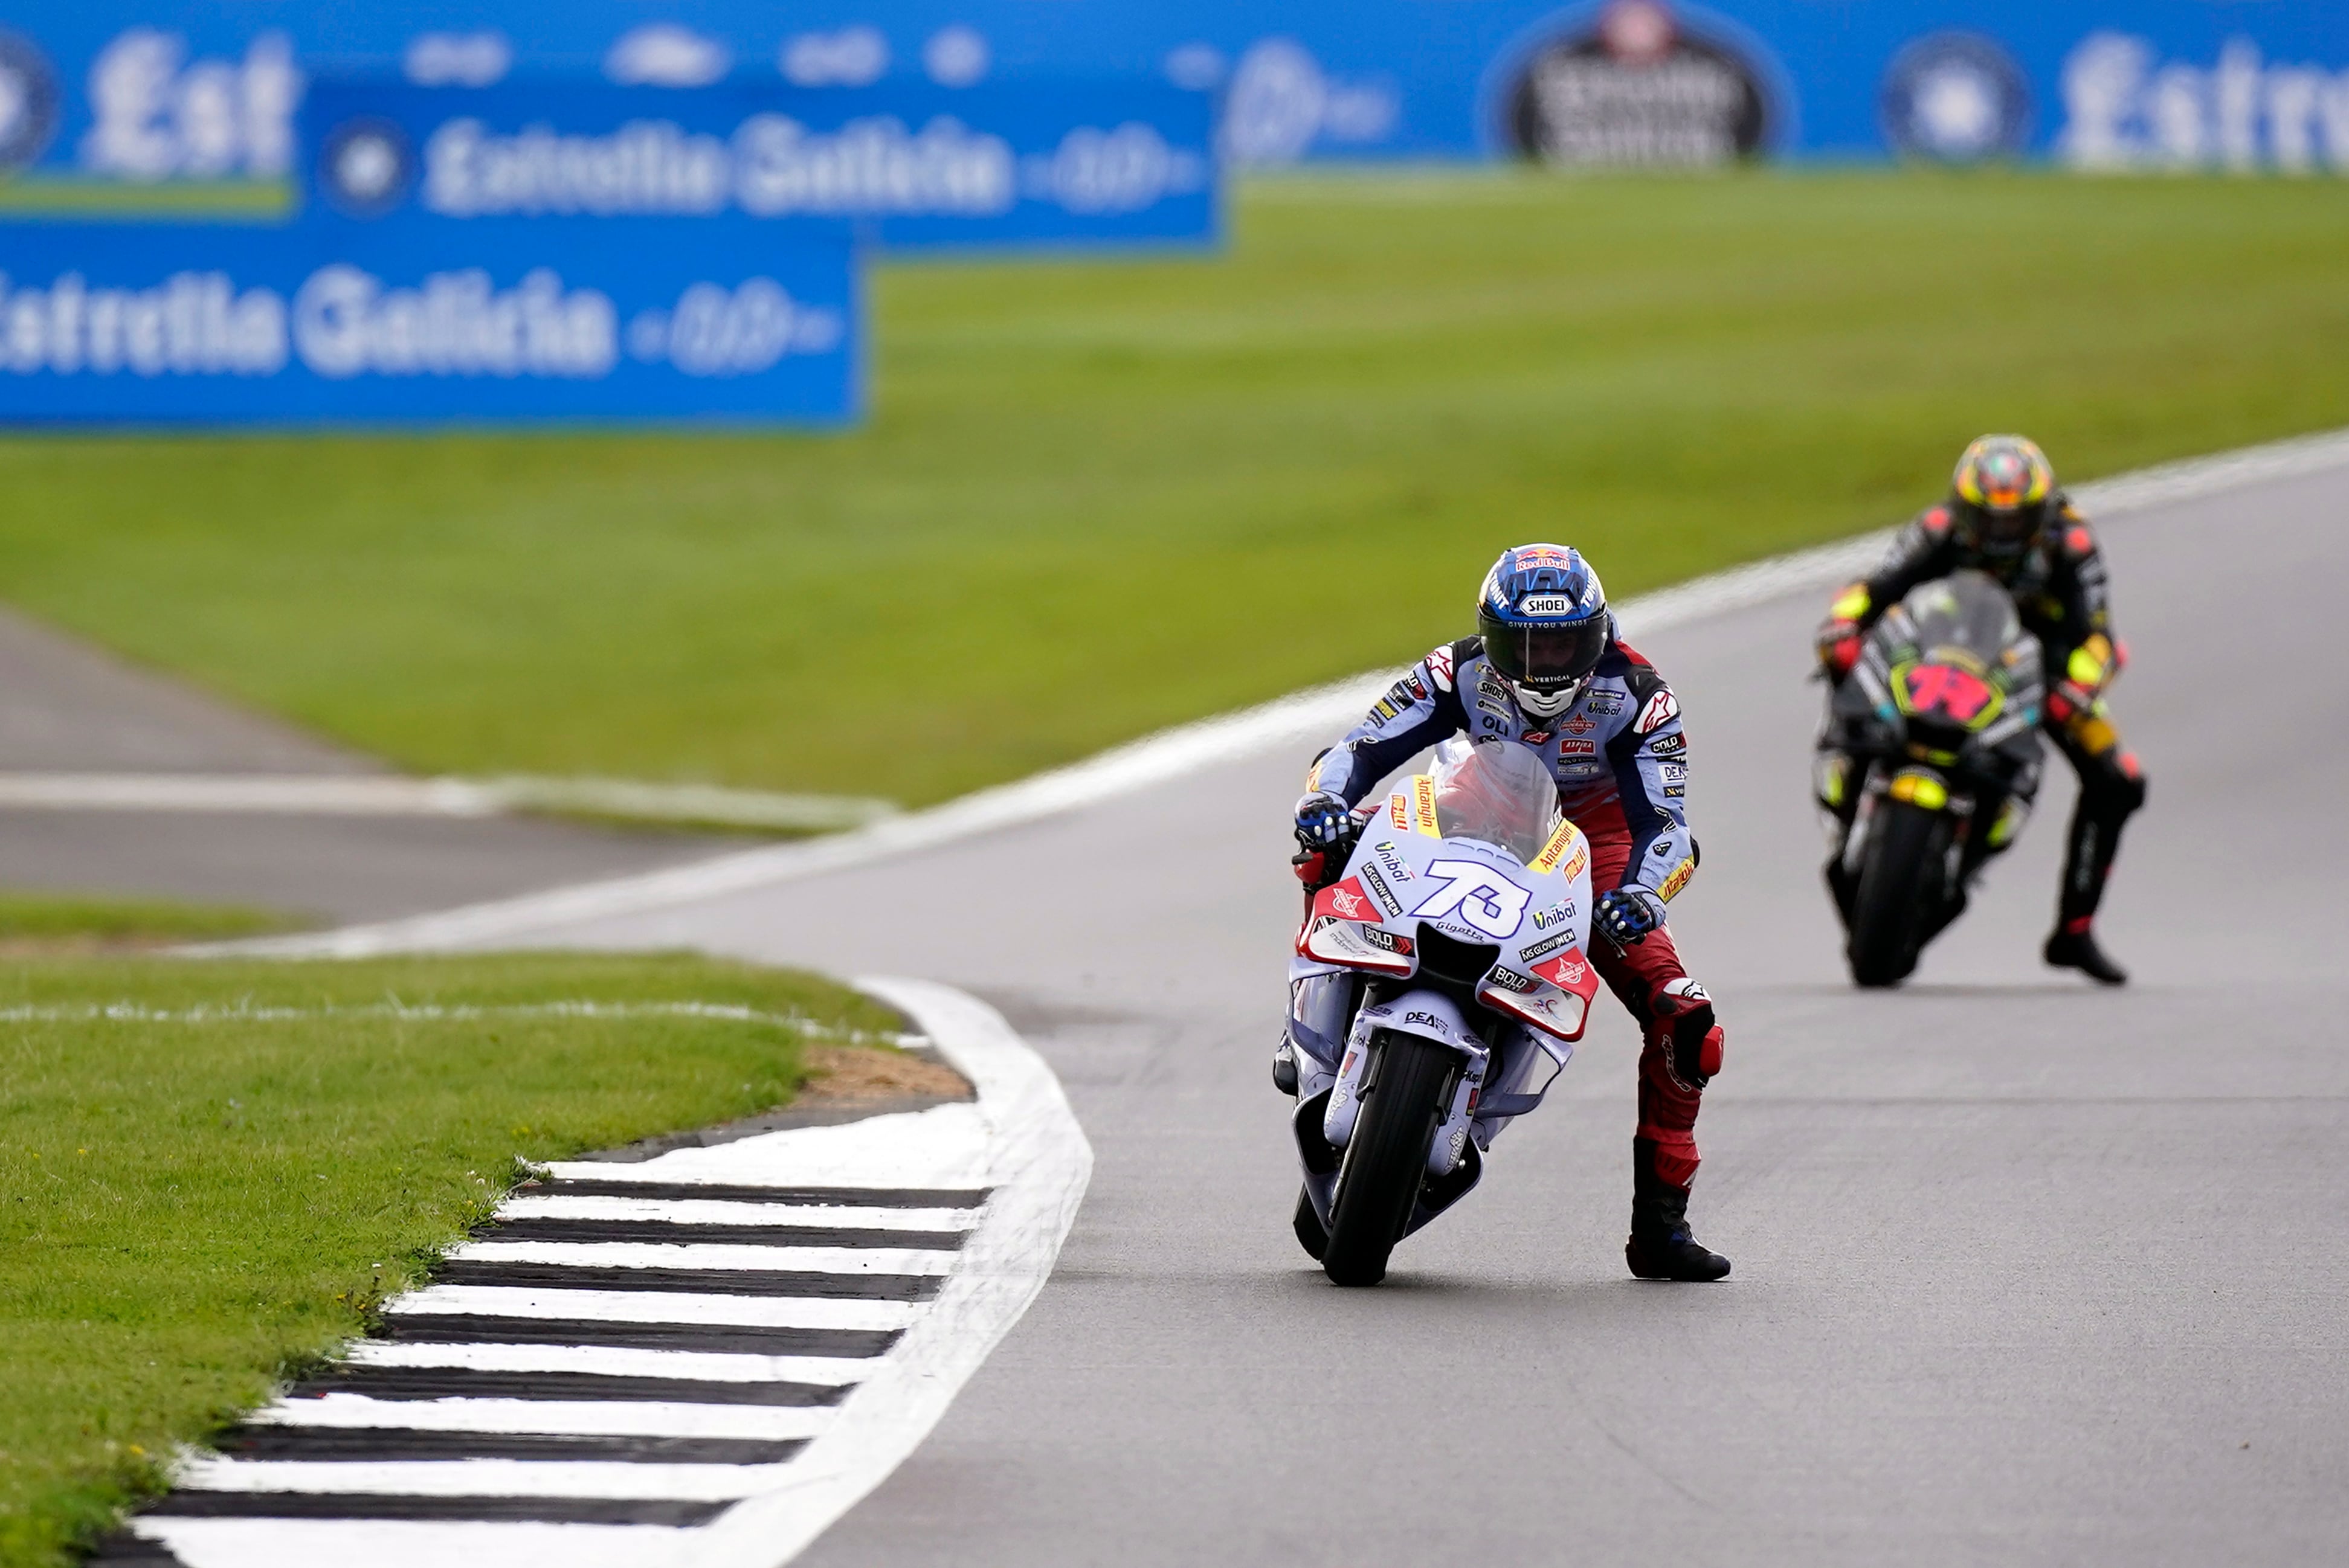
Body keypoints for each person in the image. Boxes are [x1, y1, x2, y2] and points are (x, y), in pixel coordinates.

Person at [1281, 542, 1730, 1282]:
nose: (1542, 662)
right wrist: (1324, 800)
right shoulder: (1455, 667)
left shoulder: (1641, 695)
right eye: (1521, 643)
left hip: (1594, 848)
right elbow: (1360, 746)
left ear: (1598, 633)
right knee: (1329, 839)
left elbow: (1669, 827)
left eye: (1561, 641)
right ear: (1489, 636)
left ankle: (1660, 1228)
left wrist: (1644, 894)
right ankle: (1307, 1023)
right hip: (1474, 807)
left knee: (1688, 1021)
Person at [1813, 435, 2147, 984]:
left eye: (2015, 522)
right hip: (1945, 651)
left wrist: (2078, 686)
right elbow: (1873, 589)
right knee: (1850, 671)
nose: (2000, 535)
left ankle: (2075, 930)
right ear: (1965, 509)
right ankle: (1844, 819)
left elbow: (2099, 638)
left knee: (2120, 779)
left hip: (2041, 668)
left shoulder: (2073, 544)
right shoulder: (1939, 529)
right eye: (1988, 521)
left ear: (2041, 512)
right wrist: (1842, 625)